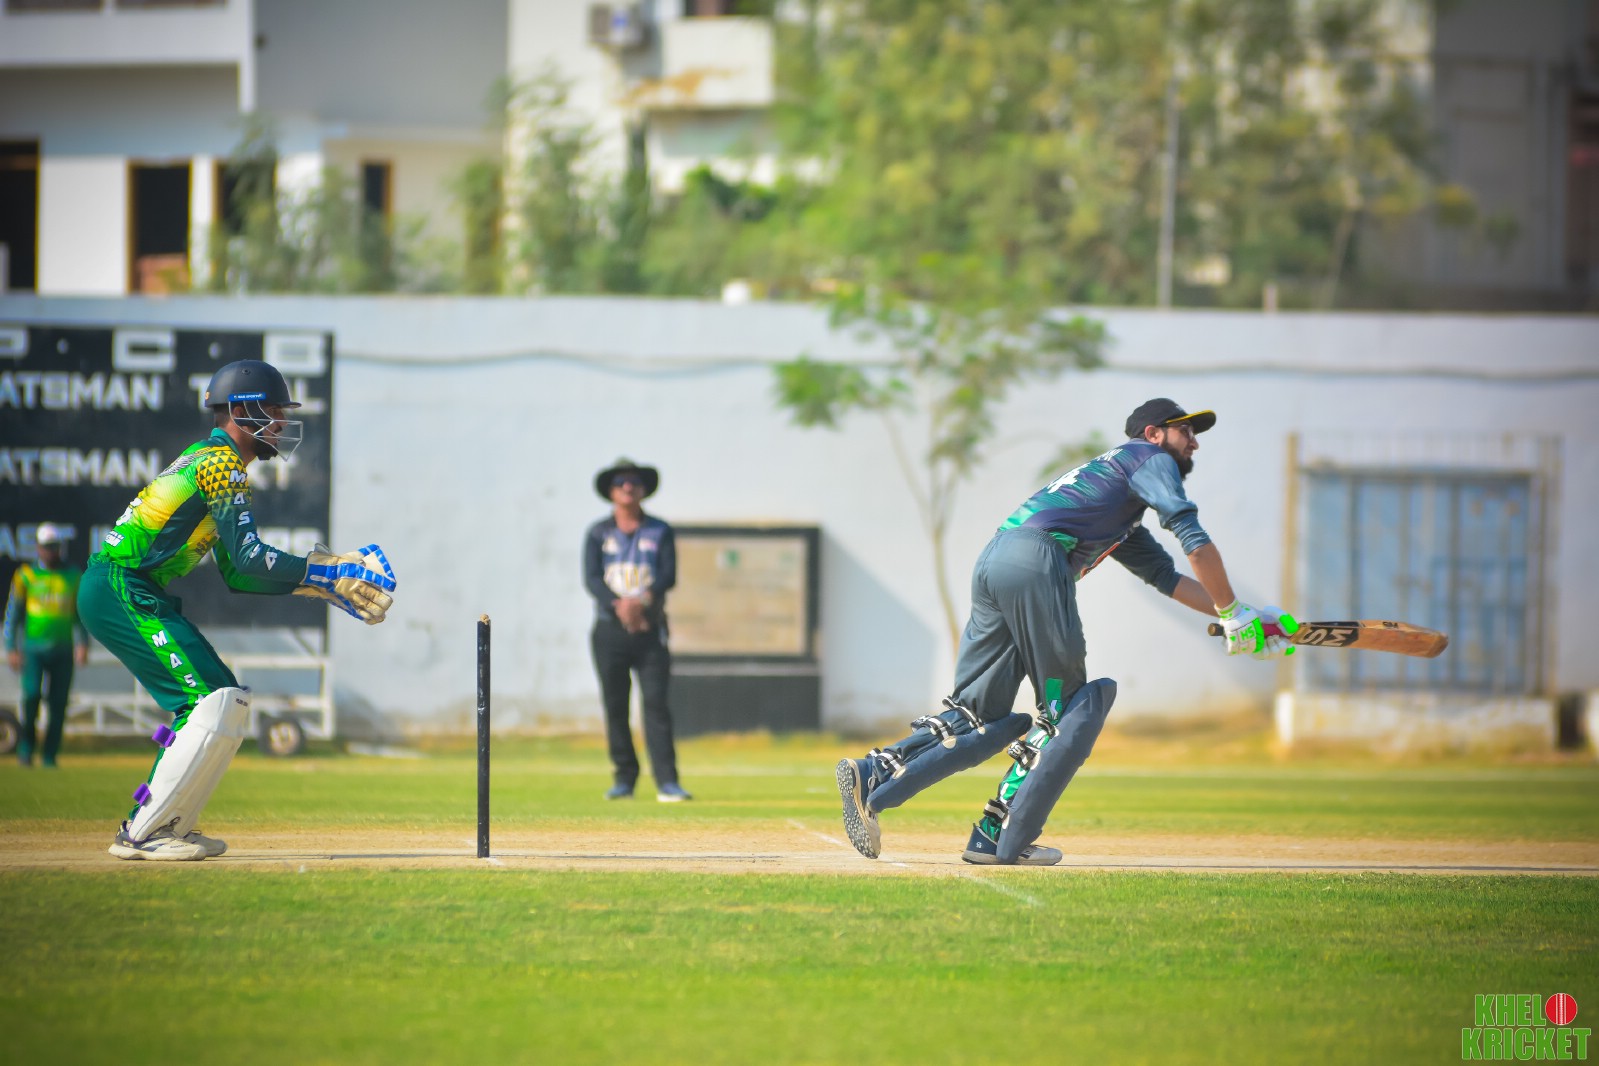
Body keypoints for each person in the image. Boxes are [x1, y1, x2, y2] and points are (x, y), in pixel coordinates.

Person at [836, 398, 1297, 866]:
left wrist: (1245, 616)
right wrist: (1232, 610)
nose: (1194, 443)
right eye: (1186, 431)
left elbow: (1167, 577)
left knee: (980, 715)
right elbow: (1193, 540)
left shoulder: (1116, 498)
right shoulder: (1148, 458)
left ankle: (874, 772)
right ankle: (997, 836)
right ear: (1153, 433)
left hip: (997, 560)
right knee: (1070, 708)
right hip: (1036, 560)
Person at [76, 359, 396, 861]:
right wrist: (328, 572)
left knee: (225, 700)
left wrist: (317, 585)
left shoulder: (218, 463)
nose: (283, 423)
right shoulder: (218, 464)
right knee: (205, 700)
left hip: (130, 589)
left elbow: (239, 574)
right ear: (244, 411)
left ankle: (171, 824)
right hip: (121, 586)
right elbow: (249, 559)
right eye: (275, 410)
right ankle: (143, 832)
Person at [584, 458, 691, 802]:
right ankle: (624, 779)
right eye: (620, 483)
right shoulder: (598, 533)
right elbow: (592, 579)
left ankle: (667, 782)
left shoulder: (659, 530)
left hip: (649, 629)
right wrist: (620, 605)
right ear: (611, 492)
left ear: (643, 489)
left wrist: (641, 602)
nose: (627, 487)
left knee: (656, 706)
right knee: (616, 706)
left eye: (633, 482)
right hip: (609, 630)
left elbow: (667, 575)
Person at [4, 523, 90, 768]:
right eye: (46, 546)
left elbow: (79, 614)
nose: (50, 551)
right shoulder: (26, 575)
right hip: (33, 649)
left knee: (58, 703)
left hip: (63, 648)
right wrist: (11, 647)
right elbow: (13, 615)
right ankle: (26, 750)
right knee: (31, 697)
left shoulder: (72, 575)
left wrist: (83, 643)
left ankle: (50, 756)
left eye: (54, 546)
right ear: (38, 548)